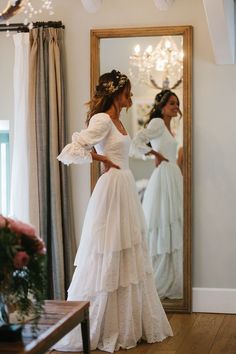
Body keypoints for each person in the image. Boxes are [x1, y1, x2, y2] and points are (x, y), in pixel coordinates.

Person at [54, 70, 173, 353]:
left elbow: (125, 152)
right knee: (106, 249)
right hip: (111, 190)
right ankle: (100, 324)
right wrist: (98, 157)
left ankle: (128, 323)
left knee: (128, 251)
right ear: (116, 93)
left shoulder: (119, 121)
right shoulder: (103, 119)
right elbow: (72, 149)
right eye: (128, 93)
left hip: (126, 187)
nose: (130, 98)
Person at [130, 90, 183, 300]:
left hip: (173, 174)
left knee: (175, 222)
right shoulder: (158, 123)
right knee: (163, 221)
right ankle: (159, 277)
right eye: (171, 103)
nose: (175, 106)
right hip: (164, 177)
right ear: (162, 106)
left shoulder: (171, 127)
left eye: (177, 103)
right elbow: (136, 142)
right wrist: (154, 153)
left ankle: (174, 275)